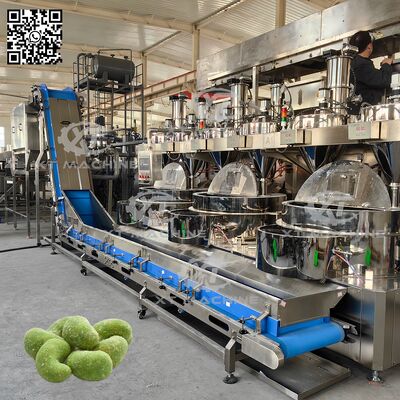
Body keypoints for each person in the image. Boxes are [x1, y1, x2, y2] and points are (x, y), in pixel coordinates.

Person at [349, 30, 393, 112]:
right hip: (363, 112)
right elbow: (383, 81)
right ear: (369, 46)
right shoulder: (362, 64)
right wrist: (386, 65)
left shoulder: (352, 63)